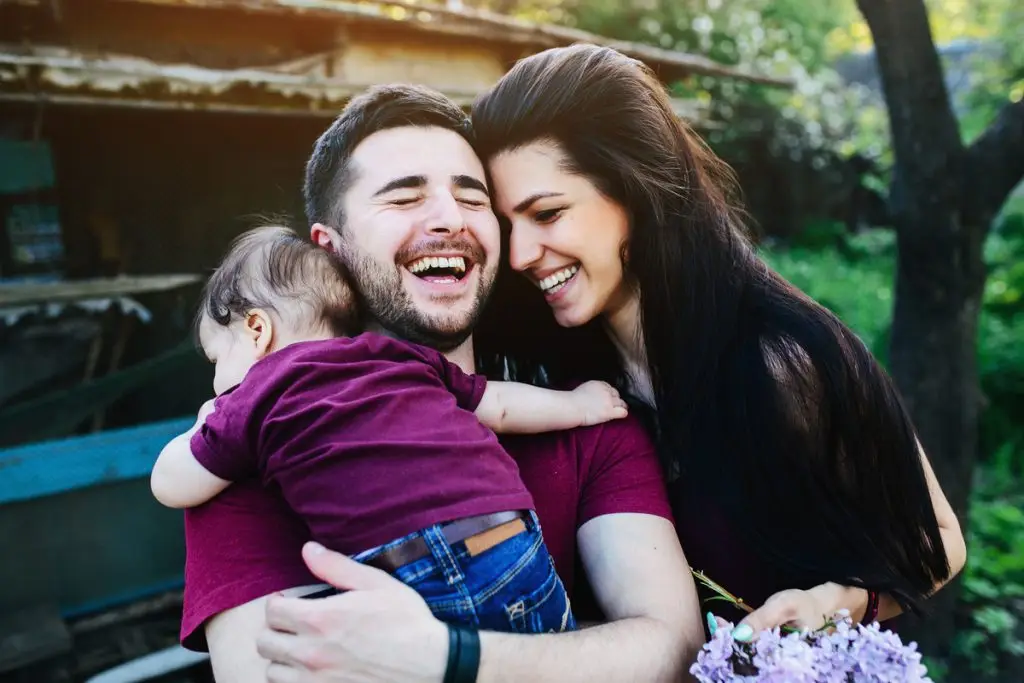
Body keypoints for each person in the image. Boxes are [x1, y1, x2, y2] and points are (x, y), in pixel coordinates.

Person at [180, 84, 704, 682]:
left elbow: (673, 652)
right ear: (332, 248)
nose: (449, 219)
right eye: (404, 198)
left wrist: (443, 658)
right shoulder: (259, 447)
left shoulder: (587, 421)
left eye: (471, 198)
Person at [466, 43, 967, 638]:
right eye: (506, 226)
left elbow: (936, 541)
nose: (520, 254)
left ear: (634, 190)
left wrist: (833, 604)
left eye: (547, 214)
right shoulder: (540, 372)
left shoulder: (782, 359)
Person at [152, 225, 629, 633]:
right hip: (513, 540)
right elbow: (499, 404)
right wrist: (580, 405)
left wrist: (204, 423)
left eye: (217, 359)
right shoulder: (399, 357)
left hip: (413, 567)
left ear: (257, 330)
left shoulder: (255, 396)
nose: (216, 381)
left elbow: (173, 485)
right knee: (547, 644)